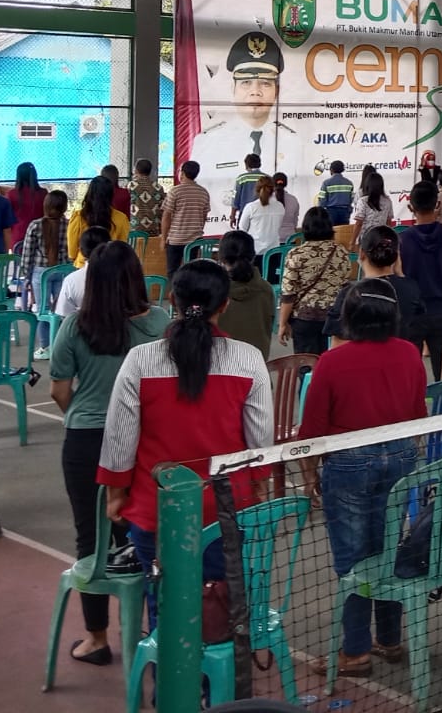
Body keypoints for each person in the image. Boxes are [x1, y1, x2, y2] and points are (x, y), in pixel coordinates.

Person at [96, 259, 273, 626]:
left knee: (165, 604)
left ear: (173, 299)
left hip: (155, 509)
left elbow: (119, 437)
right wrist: (258, 485)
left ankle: (169, 680)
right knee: (217, 603)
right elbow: (261, 441)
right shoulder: (249, 359)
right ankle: (213, 680)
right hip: (227, 509)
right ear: (224, 305)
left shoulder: (140, 360)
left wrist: (116, 494)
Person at [299, 277, 429, 678]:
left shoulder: (332, 363)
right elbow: (417, 416)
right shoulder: (410, 354)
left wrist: (309, 478)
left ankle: (354, 651)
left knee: (353, 561)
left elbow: (312, 432)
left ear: (349, 317)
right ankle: (389, 640)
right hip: (402, 459)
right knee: (389, 549)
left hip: (349, 466)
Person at [48, 240, 167, 667]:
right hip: (144, 441)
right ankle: (153, 635)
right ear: (136, 276)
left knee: (91, 539)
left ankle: (97, 639)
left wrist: (82, 414)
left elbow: (59, 389)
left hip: (86, 440)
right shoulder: (159, 322)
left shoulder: (75, 327)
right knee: (147, 538)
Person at [187, 31, 296, 183]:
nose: (255, 92)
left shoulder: (293, 142)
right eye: (246, 82)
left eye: (265, 83)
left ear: (276, 91)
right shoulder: (208, 142)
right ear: (233, 88)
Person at [398, 181, 442, 380]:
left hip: (411, 315)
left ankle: (412, 409)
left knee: (408, 373)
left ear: (410, 207)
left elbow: (400, 279)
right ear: (437, 204)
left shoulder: (402, 240)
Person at [326, 226, 421, 344]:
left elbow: (338, 345)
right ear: (397, 257)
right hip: (400, 359)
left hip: (362, 361)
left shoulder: (350, 293)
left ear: (361, 253)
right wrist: (400, 275)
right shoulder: (411, 288)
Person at [276, 207, 349, 355]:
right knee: (331, 364)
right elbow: (345, 286)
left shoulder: (296, 254)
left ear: (305, 228)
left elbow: (288, 294)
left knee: (306, 365)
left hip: (304, 318)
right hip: (334, 318)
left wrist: (282, 323)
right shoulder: (340, 252)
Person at [216, 230, 274, 358]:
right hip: (258, 364)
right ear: (253, 255)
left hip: (221, 366)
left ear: (221, 257)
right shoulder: (266, 289)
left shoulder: (214, 290)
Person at [19, 189, 70, 311]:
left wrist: (26, 276)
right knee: (61, 310)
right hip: (63, 269)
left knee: (43, 310)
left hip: (41, 272)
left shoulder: (35, 225)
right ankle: (58, 330)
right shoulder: (69, 225)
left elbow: (27, 254)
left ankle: (44, 330)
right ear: (65, 207)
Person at [161, 160, 210, 276]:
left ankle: (176, 293)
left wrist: (163, 238)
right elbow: (204, 217)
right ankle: (190, 293)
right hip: (195, 240)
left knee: (173, 272)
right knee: (192, 272)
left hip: (175, 240)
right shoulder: (203, 192)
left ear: (182, 173)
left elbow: (166, 216)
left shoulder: (175, 191)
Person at [66, 175, 126, 265]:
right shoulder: (121, 218)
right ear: (111, 195)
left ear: (89, 193)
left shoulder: (79, 217)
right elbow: (122, 248)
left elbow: (72, 252)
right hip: (111, 267)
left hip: (83, 266)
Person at [236, 176, 283, 260]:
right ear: (273, 189)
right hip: (274, 251)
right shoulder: (280, 206)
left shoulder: (251, 207)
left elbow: (242, 229)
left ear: (257, 189)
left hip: (255, 252)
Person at [7, 161, 46, 249]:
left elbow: (7, 218)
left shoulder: (11, 194)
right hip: (39, 233)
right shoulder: (43, 193)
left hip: (18, 235)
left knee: (19, 260)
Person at [124, 159, 164, 242]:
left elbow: (126, 205)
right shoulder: (158, 187)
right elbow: (162, 209)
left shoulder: (131, 185)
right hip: (153, 229)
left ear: (136, 170)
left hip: (135, 229)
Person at [350, 171, 394, 236]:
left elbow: (359, 223)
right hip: (381, 237)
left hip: (366, 238)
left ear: (367, 185)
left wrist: (352, 242)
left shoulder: (363, 201)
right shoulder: (387, 200)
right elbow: (389, 222)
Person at [316, 160, 356, 226]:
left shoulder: (326, 183)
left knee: (331, 233)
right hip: (345, 212)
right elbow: (351, 199)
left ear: (331, 169)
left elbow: (322, 200)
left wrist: (320, 213)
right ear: (342, 169)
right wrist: (349, 210)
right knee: (343, 233)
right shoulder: (349, 183)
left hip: (331, 212)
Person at [273, 172, 300, 238]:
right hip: (290, 240)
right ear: (286, 184)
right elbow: (295, 222)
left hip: (272, 242)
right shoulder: (293, 200)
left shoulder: (267, 200)